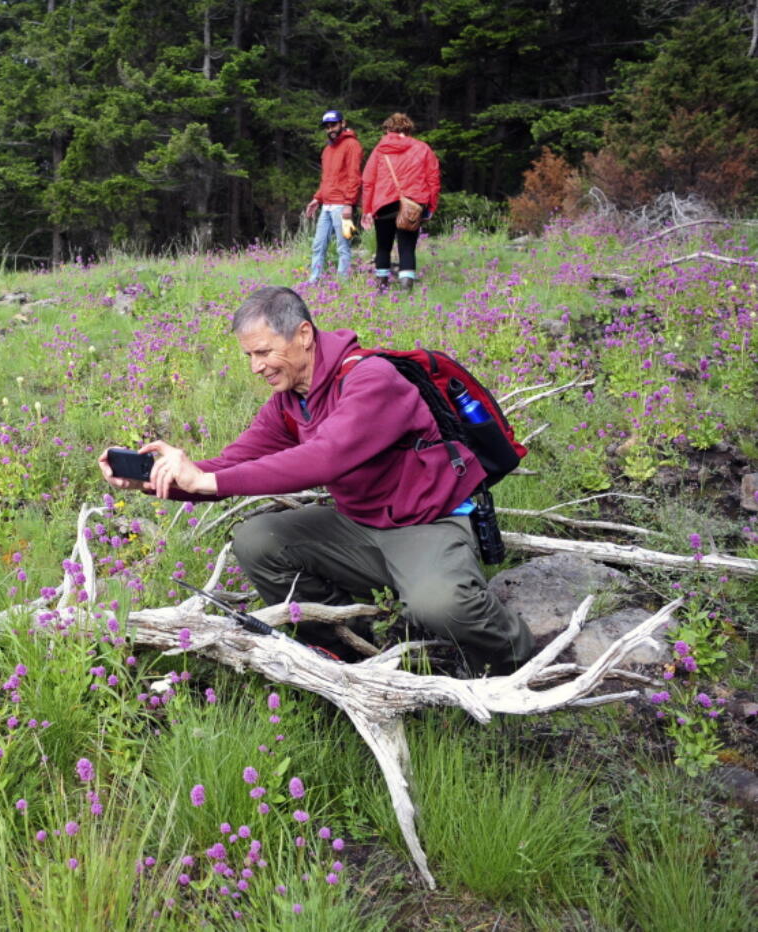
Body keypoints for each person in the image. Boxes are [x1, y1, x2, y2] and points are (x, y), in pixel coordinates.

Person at [98, 286, 533, 676]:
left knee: (441, 605)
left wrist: (204, 481)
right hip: (359, 525)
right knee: (257, 539)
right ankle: (347, 645)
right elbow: (230, 463)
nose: (256, 367)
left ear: (303, 334)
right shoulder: (291, 402)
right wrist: (163, 480)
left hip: (425, 523)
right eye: (249, 355)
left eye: (264, 352)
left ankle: (515, 658)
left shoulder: (372, 379)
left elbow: (326, 457)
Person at [361, 113, 440, 292]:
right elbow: (433, 180)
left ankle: (381, 289)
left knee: (383, 247)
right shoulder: (423, 148)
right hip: (412, 205)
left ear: (388, 129)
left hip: (383, 204)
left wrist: (367, 209)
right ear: (408, 129)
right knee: (407, 248)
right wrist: (430, 207)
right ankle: (406, 291)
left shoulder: (379, 150)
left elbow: (368, 181)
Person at [303, 110, 362, 284]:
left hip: (343, 206)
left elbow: (355, 177)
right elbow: (326, 178)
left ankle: (342, 282)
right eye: (327, 127)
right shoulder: (327, 150)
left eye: (333, 125)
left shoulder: (353, 145)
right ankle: (314, 281)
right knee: (318, 245)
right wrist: (317, 198)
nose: (330, 129)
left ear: (343, 123)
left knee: (344, 246)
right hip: (327, 205)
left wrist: (349, 204)